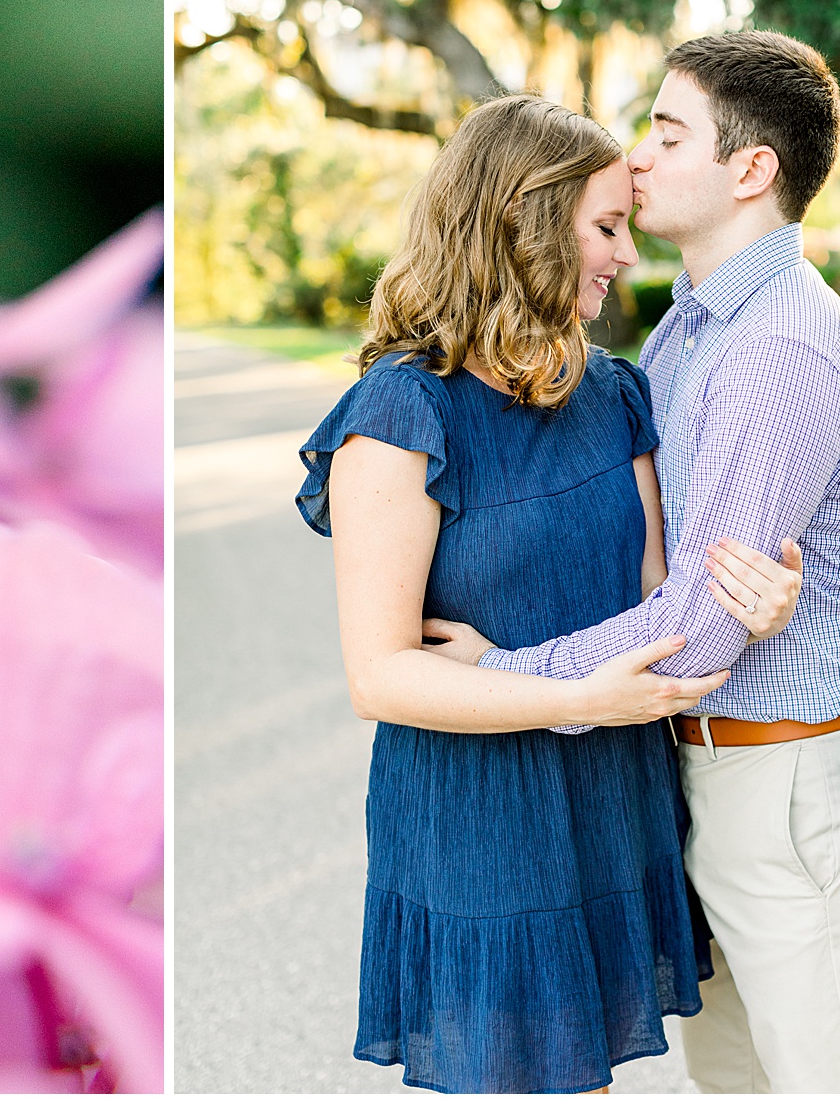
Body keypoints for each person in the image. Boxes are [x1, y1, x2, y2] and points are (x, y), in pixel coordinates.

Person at [295, 93, 803, 1094]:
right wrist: (576, 697)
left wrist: (759, 605)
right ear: (525, 221)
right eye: (606, 227)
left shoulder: (613, 392)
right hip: (485, 821)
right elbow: (379, 675)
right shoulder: (402, 412)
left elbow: (661, 597)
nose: (627, 254)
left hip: (613, 799)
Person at [455, 31, 840, 1093]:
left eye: (669, 135)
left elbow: (698, 628)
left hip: (792, 778)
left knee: (831, 1082)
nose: (638, 157)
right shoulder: (690, 331)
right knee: (737, 1081)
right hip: (711, 768)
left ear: (751, 170)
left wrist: (499, 674)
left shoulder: (778, 347)